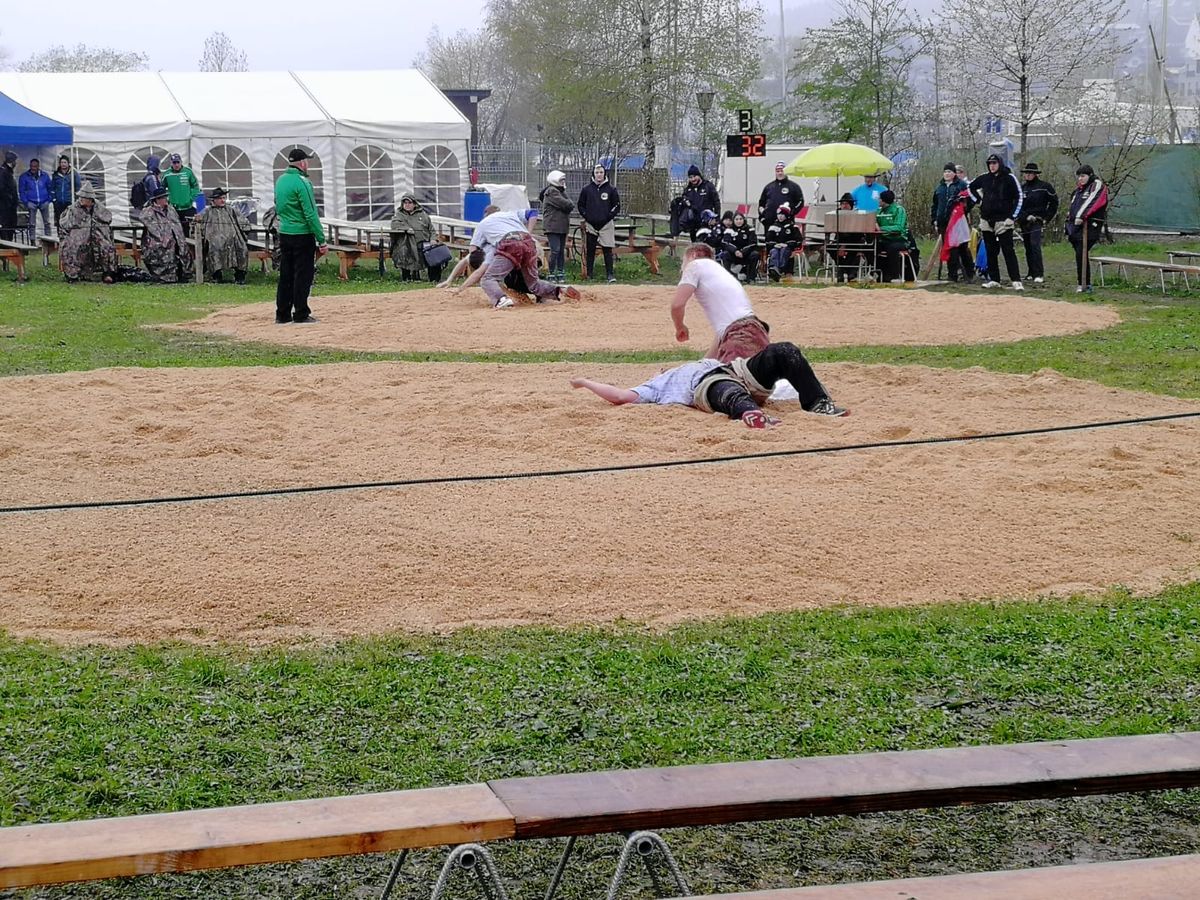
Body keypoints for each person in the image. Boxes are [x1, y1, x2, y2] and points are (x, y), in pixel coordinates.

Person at [571, 341, 848, 429]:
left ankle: (818, 403)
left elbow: (716, 345)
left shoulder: (698, 362)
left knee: (784, 351)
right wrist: (586, 382)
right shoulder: (655, 387)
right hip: (707, 386)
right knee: (726, 391)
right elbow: (619, 396)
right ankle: (750, 414)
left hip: (737, 370)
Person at [671, 242, 771, 363]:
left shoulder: (694, 266)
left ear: (693, 255)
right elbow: (722, 335)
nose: (682, 267)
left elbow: (677, 305)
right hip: (756, 330)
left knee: (732, 379)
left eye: (683, 261)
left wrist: (680, 327)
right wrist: (701, 366)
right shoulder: (719, 272)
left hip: (739, 334)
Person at [274, 147, 327, 323]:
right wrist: (321, 239)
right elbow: (310, 213)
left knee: (286, 274)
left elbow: (278, 205)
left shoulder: (280, 181)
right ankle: (301, 312)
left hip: (285, 232)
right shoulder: (303, 183)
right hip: (302, 234)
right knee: (302, 275)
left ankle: (282, 313)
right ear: (303, 163)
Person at [480, 226, 581, 309]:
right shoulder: (510, 217)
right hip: (529, 241)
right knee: (533, 283)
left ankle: (501, 300)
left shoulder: (483, 228)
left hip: (510, 243)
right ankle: (559, 290)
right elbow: (532, 214)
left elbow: (485, 264)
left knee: (488, 278)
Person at [968, 153, 1024, 290]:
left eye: (994, 163)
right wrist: (978, 201)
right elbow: (970, 187)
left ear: (1000, 163)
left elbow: (1019, 197)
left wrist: (1012, 217)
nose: (992, 166)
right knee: (990, 251)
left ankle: (1016, 280)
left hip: (1004, 221)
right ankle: (994, 279)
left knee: (1008, 251)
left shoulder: (1010, 178)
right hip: (986, 220)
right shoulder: (984, 178)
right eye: (990, 164)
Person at [58, 181, 117, 283]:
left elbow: (108, 218)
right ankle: (73, 274)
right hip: (78, 236)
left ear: (90, 200)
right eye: (80, 197)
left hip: (96, 235)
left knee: (106, 247)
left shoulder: (99, 208)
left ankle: (108, 273)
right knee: (73, 247)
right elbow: (64, 224)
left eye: (83, 198)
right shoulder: (73, 209)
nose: (80, 199)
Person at [1066, 164, 1108, 294]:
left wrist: (1081, 216)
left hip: (1090, 226)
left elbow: (1092, 202)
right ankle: (1084, 282)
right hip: (1076, 227)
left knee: (1081, 252)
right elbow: (1073, 206)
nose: (1080, 179)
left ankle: (1084, 283)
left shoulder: (1097, 185)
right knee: (1080, 254)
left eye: (1083, 176)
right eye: (1079, 176)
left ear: (1089, 175)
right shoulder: (1078, 190)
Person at [930, 163, 974, 283]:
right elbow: (935, 205)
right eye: (945, 172)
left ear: (954, 173)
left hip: (958, 222)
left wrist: (964, 209)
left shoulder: (961, 185)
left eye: (949, 172)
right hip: (944, 223)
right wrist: (934, 220)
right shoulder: (940, 188)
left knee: (962, 248)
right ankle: (952, 275)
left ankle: (970, 272)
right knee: (950, 249)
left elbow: (970, 200)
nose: (947, 174)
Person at [196, 187, 249, 284]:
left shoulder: (231, 210)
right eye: (220, 198)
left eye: (224, 198)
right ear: (214, 200)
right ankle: (216, 275)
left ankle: (240, 276)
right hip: (215, 239)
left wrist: (245, 227)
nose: (222, 200)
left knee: (242, 248)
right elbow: (199, 222)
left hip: (233, 238)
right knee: (215, 247)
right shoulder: (207, 211)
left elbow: (243, 221)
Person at [140, 187, 193, 283]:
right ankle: (165, 277)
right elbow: (152, 229)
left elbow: (177, 225)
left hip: (176, 240)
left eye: (166, 197)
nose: (166, 200)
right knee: (164, 251)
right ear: (157, 200)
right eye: (163, 198)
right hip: (157, 243)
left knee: (184, 251)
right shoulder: (148, 212)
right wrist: (163, 239)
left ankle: (182, 275)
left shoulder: (171, 210)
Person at [1018, 162, 1059, 284]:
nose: (1027, 175)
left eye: (1030, 173)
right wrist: (1025, 217)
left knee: (1035, 245)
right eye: (1026, 173)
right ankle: (1031, 272)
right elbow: (1018, 206)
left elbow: (1054, 203)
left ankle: (1039, 273)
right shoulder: (1022, 188)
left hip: (1038, 220)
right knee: (1028, 247)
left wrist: (1046, 218)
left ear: (1035, 174)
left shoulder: (1045, 187)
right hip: (1025, 221)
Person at [578, 164, 620, 282]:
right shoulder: (586, 190)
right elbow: (580, 205)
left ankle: (610, 275)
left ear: (604, 174)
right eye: (597, 172)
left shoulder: (612, 189)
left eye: (601, 172)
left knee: (607, 250)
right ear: (593, 174)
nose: (599, 175)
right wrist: (587, 216)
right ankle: (590, 274)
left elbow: (617, 206)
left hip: (606, 225)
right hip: (591, 225)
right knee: (590, 250)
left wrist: (608, 217)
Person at [389, 194, 436, 282]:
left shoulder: (423, 215)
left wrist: (433, 239)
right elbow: (395, 225)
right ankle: (407, 277)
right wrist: (406, 229)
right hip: (406, 243)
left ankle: (433, 279)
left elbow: (432, 230)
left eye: (409, 203)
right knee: (404, 251)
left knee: (435, 253)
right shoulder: (399, 215)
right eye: (405, 203)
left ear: (414, 204)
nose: (407, 205)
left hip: (423, 242)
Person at [539, 170, 574, 282]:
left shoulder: (561, 191)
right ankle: (551, 272)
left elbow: (570, 205)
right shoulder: (551, 192)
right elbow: (566, 204)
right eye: (561, 180)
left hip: (562, 227)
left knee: (561, 251)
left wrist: (568, 202)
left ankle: (560, 272)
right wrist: (569, 204)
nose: (563, 182)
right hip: (553, 227)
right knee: (555, 250)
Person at [757, 161, 805, 234]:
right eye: (777, 171)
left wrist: (791, 213)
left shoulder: (794, 186)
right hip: (770, 222)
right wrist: (763, 218)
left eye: (782, 171)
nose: (780, 173)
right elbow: (761, 203)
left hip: (786, 223)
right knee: (770, 243)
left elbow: (800, 202)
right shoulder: (769, 187)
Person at [876, 190, 912, 283]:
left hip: (899, 240)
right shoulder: (879, 211)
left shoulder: (899, 210)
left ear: (884, 200)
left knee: (892, 248)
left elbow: (899, 227)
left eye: (879, 199)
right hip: (883, 240)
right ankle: (877, 273)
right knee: (871, 247)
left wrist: (881, 229)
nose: (878, 200)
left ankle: (895, 276)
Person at [162, 153, 201, 237]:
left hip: (187, 207)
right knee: (174, 231)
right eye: (174, 162)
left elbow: (195, 186)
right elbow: (161, 190)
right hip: (173, 209)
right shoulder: (167, 174)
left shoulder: (188, 172)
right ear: (171, 163)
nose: (176, 165)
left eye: (178, 162)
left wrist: (191, 198)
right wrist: (167, 200)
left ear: (181, 162)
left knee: (187, 231)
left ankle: (188, 248)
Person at [18, 158, 53, 245]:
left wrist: (49, 199)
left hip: (44, 201)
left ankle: (49, 240)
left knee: (47, 222)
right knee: (32, 223)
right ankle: (32, 241)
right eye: (32, 166)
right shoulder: (24, 176)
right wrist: (26, 202)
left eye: (35, 166)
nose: (33, 168)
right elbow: (21, 191)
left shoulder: (45, 175)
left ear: (38, 167)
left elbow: (50, 188)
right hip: (31, 202)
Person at [680, 164, 720, 239]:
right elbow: (684, 203)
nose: (693, 179)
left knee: (704, 245)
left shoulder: (708, 186)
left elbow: (716, 203)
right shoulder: (688, 189)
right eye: (690, 177)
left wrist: (717, 218)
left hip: (706, 222)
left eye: (694, 176)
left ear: (699, 175)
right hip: (693, 224)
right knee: (695, 246)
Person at [764, 203, 800, 281]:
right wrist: (775, 245)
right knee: (774, 252)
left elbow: (798, 240)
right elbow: (768, 240)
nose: (780, 216)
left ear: (786, 215)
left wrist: (786, 244)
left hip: (787, 248)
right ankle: (774, 269)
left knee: (784, 251)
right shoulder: (773, 227)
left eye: (782, 215)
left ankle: (778, 270)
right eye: (779, 214)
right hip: (776, 247)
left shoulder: (792, 227)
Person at [723, 211, 760, 283]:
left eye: (740, 219)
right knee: (725, 254)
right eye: (736, 219)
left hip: (746, 254)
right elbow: (726, 243)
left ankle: (751, 278)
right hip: (734, 254)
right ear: (733, 220)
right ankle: (729, 277)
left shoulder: (750, 229)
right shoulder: (729, 230)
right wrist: (735, 251)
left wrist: (743, 252)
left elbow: (753, 243)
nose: (739, 221)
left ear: (744, 220)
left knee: (755, 254)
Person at [51, 156, 81, 232]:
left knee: (69, 219)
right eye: (61, 162)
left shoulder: (74, 174)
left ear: (68, 163)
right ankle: (60, 234)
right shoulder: (56, 174)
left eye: (65, 162)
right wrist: (54, 199)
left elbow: (78, 187)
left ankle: (69, 235)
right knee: (59, 219)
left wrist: (76, 198)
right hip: (59, 201)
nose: (63, 164)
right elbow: (52, 188)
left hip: (69, 201)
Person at [0, 151, 17, 241]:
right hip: (5, 206)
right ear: (11, 161)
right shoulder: (3, 172)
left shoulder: (9, 172)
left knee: (11, 225)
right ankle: (6, 243)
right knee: (5, 226)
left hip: (10, 206)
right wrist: (9, 199)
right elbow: (2, 189)